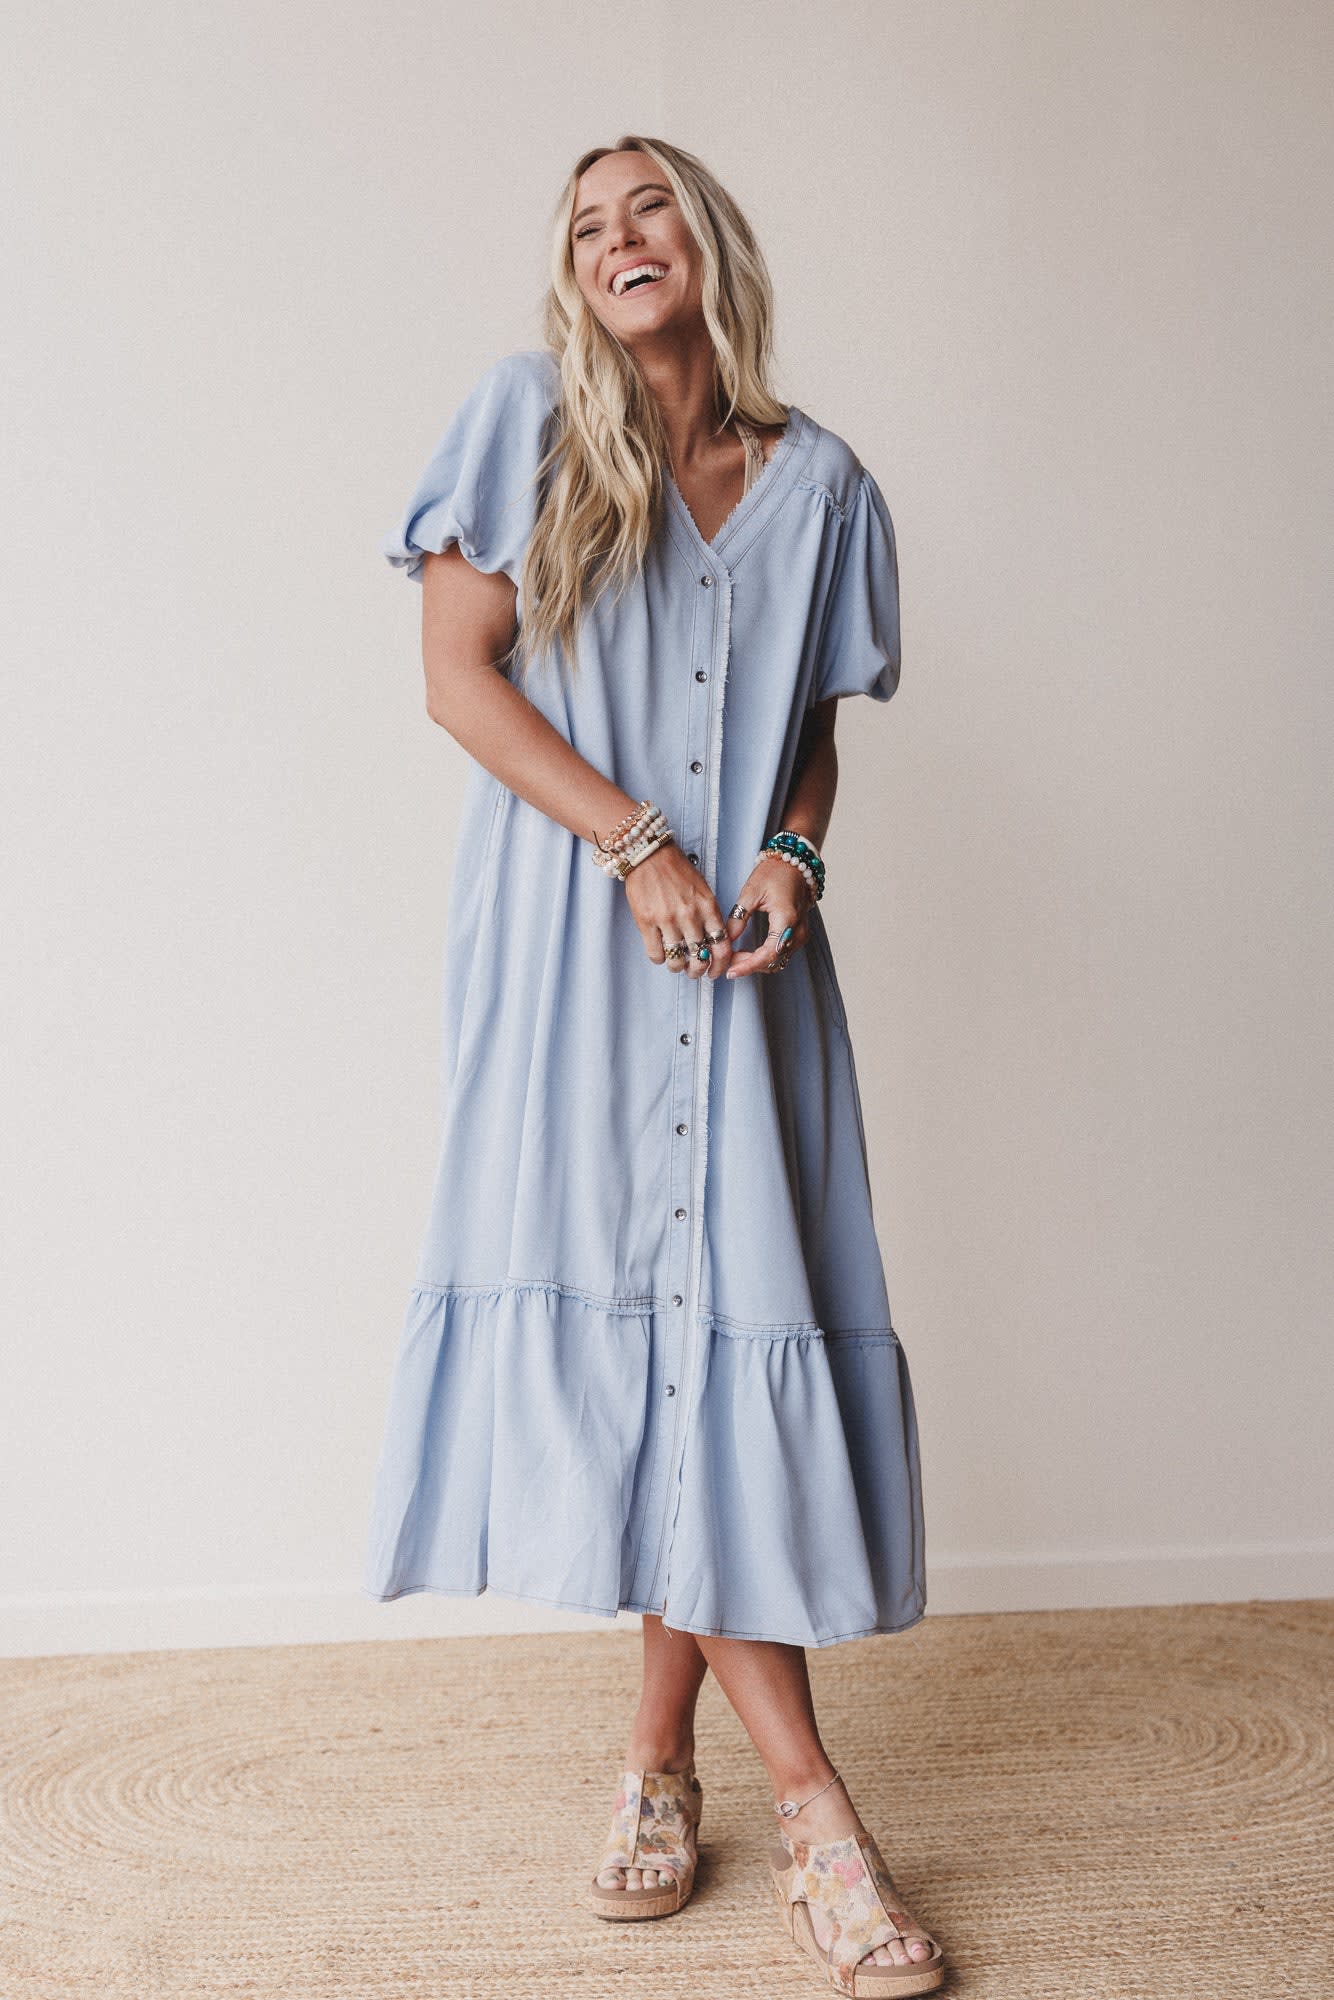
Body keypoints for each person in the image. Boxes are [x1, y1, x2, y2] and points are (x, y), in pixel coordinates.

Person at [362, 133, 947, 1994]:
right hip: (576, 950)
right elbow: (458, 678)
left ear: (709, 242)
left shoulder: (822, 483)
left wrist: (791, 853)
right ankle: (819, 1815)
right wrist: (636, 846)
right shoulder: (527, 421)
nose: (620, 238)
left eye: (650, 208)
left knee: (708, 1335)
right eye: (587, 222)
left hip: (745, 962)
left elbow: (810, 731)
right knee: (651, 1336)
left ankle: (650, 1761)